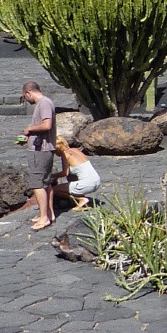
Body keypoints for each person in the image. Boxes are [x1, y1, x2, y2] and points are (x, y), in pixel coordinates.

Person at [20, 81, 58, 230]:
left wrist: (30, 128)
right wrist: (28, 137)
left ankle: (44, 218)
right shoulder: (44, 103)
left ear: (28, 92)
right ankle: (49, 213)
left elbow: (46, 125)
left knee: (37, 183)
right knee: (46, 182)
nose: (26, 100)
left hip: (40, 151)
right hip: (42, 148)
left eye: (25, 97)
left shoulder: (44, 103)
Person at [52, 139, 100, 211]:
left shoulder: (65, 155)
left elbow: (65, 173)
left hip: (87, 184)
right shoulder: (75, 150)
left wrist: (52, 175)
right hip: (96, 181)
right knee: (72, 177)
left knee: (54, 190)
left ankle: (81, 199)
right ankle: (82, 201)